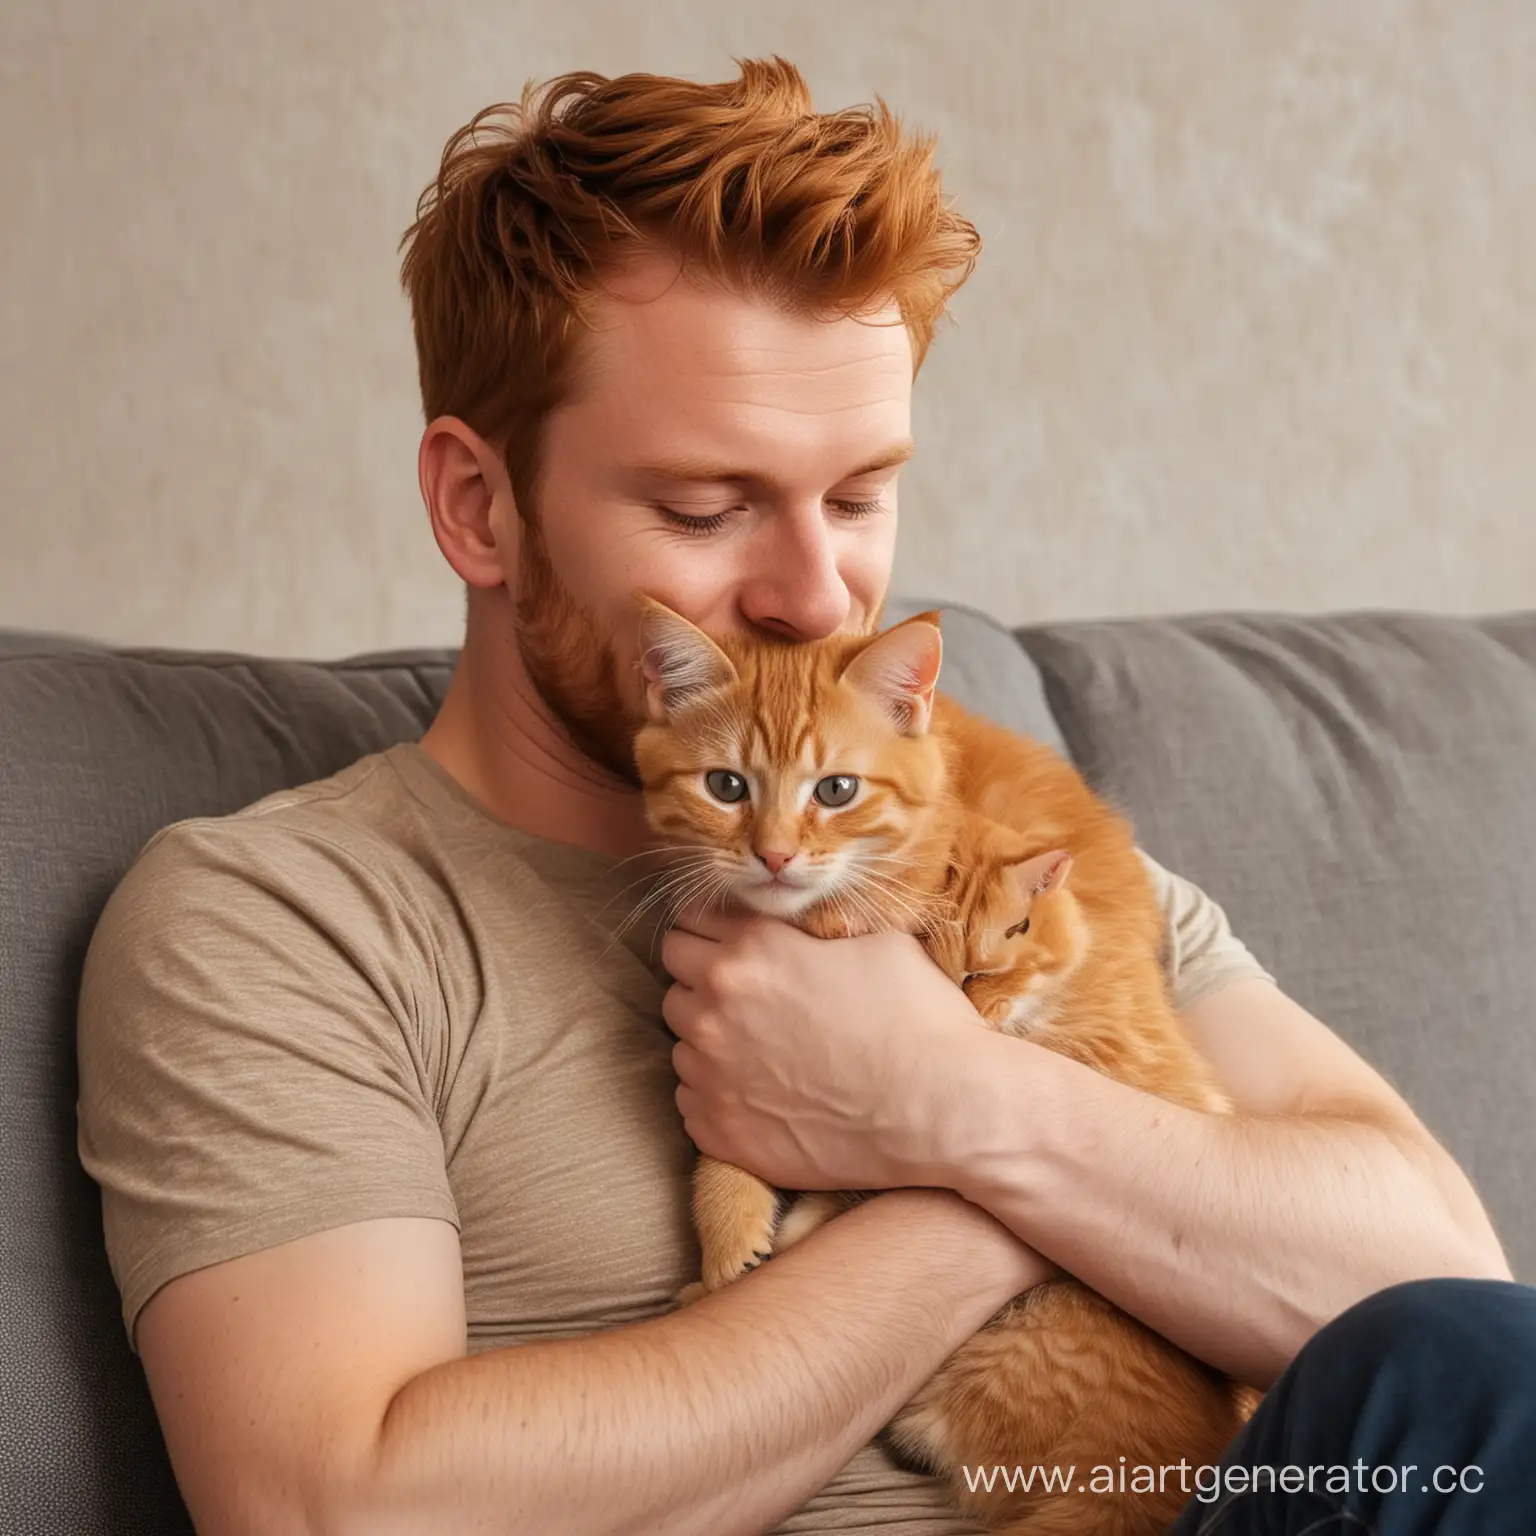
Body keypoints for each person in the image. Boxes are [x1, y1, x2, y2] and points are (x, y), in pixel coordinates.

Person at [76, 58, 1526, 1536]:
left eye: (857, 497)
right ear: (478, 506)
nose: (815, 593)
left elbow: (1442, 1292)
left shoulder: (992, 837)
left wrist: (958, 1104)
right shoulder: (291, 921)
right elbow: (340, 1513)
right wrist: (962, 1192)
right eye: (705, 511)